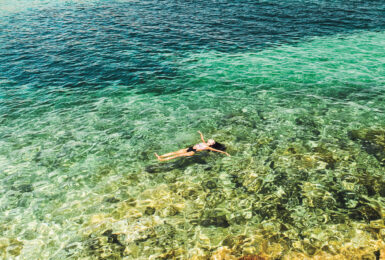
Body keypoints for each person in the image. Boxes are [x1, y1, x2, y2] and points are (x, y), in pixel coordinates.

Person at [155, 131, 230, 161]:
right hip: (189, 148)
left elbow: (217, 150)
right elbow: (202, 138)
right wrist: (200, 133)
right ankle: (160, 156)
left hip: (192, 151)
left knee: (177, 155)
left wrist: (225, 153)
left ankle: (162, 160)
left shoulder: (208, 147)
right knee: (175, 152)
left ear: (211, 144)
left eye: (212, 140)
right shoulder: (204, 142)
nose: (211, 139)